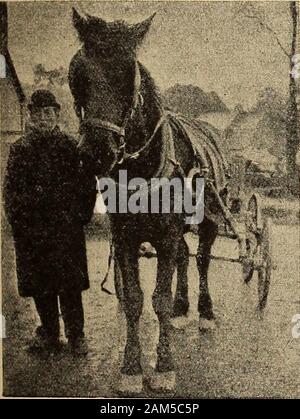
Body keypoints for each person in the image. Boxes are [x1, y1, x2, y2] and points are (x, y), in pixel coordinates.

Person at [3, 90, 97, 356]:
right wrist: (20, 225)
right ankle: (50, 335)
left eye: (49, 113)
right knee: (41, 287)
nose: (43, 118)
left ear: (57, 115)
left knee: (70, 286)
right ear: (31, 117)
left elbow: (87, 184)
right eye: (38, 113)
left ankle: (77, 335)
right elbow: (10, 192)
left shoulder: (70, 147)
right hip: (33, 233)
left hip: (66, 231)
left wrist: (80, 217)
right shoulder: (20, 150)